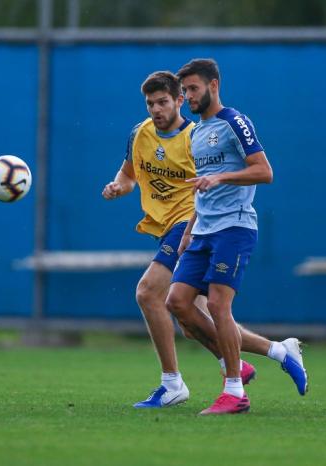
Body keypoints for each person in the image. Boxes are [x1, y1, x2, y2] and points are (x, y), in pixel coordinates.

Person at [103, 71, 307, 409]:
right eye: (150, 103)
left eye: (164, 101)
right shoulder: (142, 134)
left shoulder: (204, 132)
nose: (156, 109)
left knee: (150, 291)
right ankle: (275, 351)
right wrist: (117, 187)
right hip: (179, 227)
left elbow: (259, 171)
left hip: (198, 223)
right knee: (189, 317)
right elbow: (128, 176)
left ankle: (175, 383)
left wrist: (205, 202)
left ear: (181, 100)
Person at [166, 58, 308, 415]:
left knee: (217, 305)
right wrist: (189, 228)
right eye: (185, 91)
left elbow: (264, 171)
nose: (189, 96)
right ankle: (274, 352)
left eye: (193, 89)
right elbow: (203, 185)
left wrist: (223, 178)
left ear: (214, 85)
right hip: (203, 230)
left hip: (235, 226)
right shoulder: (196, 132)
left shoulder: (234, 121)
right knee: (178, 303)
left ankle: (234, 390)